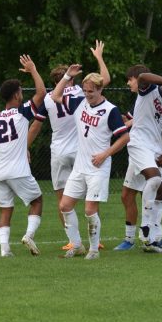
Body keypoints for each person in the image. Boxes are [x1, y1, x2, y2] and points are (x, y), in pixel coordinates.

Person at [28, 40, 111, 250]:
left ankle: (71, 240)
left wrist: (24, 147)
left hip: (58, 151)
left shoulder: (49, 98)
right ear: (71, 78)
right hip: (80, 150)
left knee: (62, 198)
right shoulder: (80, 94)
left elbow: (36, 126)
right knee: (90, 196)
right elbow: (105, 80)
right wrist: (99, 57)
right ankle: (95, 238)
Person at [51, 64, 129, 260]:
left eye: (91, 91)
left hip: (98, 167)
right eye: (85, 91)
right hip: (80, 165)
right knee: (65, 205)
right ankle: (77, 245)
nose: (87, 94)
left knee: (89, 209)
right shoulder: (79, 102)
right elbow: (55, 96)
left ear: (100, 89)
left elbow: (124, 138)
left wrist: (105, 154)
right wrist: (68, 75)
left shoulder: (110, 110)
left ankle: (93, 249)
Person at [0, 55, 47, 257]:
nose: (23, 95)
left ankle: (4, 250)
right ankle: (29, 235)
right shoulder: (22, 113)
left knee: (5, 209)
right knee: (37, 201)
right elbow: (42, 92)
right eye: (21, 92)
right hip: (18, 170)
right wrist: (33, 69)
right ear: (16, 96)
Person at [115, 66, 162, 253]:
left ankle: (155, 237)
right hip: (138, 144)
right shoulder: (149, 90)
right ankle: (138, 235)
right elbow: (143, 76)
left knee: (160, 192)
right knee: (149, 183)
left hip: (156, 149)